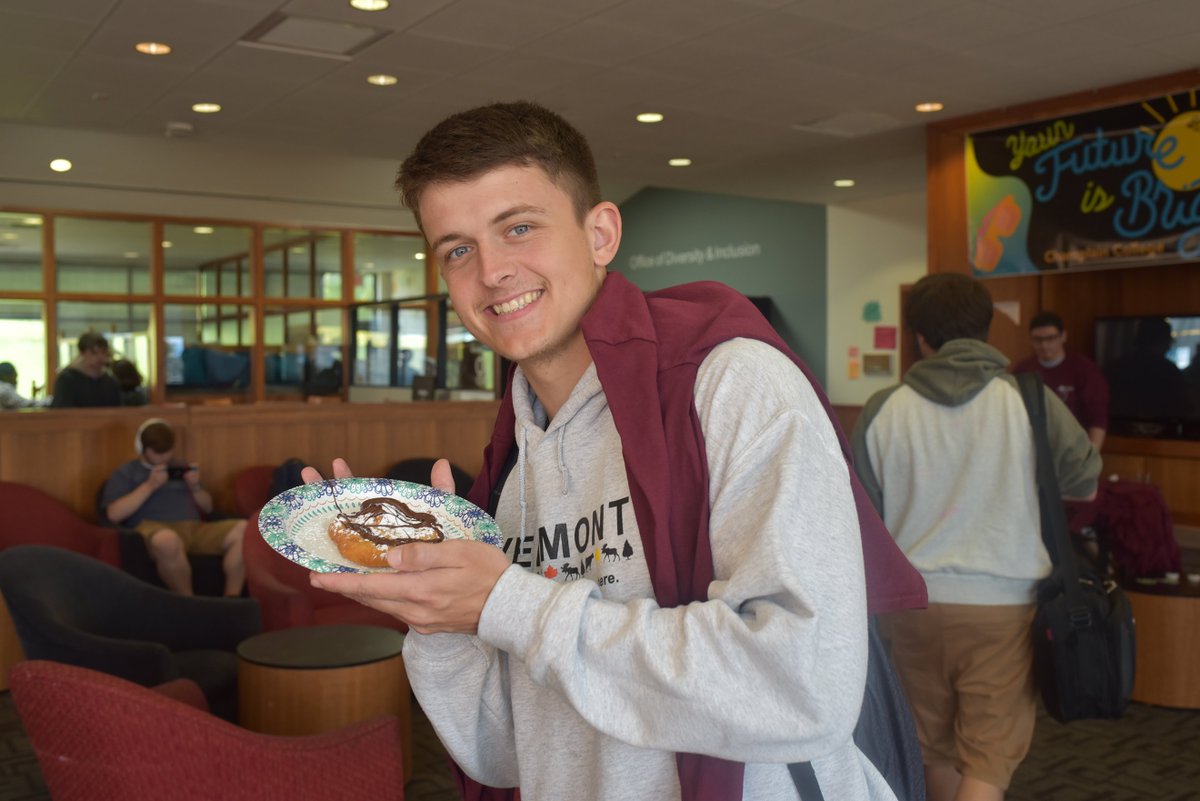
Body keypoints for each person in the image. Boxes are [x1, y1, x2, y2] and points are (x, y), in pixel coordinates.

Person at [306, 101, 926, 801]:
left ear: (600, 234)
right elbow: (507, 753)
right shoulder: (513, 459)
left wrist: (510, 602)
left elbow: (802, 688)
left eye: (518, 227)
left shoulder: (730, 382)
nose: (492, 270)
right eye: (457, 249)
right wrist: (439, 614)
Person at [851, 274, 1101, 801]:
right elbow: (1084, 480)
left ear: (920, 336)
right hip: (1002, 606)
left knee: (930, 746)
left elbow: (861, 517)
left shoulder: (882, 409)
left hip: (911, 606)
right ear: (986, 331)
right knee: (990, 754)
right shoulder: (1029, 401)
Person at [100, 418, 245, 596]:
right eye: (157, 453)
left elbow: (208, 508)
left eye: (167, 451)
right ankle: (189, 602)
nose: (164, 457)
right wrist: (149, 486)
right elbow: (113, 514)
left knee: (245, 529)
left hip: (195, 528)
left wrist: (195, 486)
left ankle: (232, 598)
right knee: (167, 541)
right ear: (142, 449)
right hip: (154, 528)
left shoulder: (181, 467)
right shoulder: (127, 472)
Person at [1011, 311, 1109, 450]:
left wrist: (1091, 456)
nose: (1044, 345)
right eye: (1038, 339)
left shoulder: (1085, 370)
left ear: (1063, 336)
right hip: (1032, 447)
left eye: (1050, 338)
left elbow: (1098, 420)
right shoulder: (1022, 370)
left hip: (1073, 447)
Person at [50, 332, 122, 408]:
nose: (100, 357)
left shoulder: (110, 381)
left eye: (103, 352)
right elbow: (61, 410)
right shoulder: (66, 380)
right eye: (94, 353)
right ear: (82, 353)